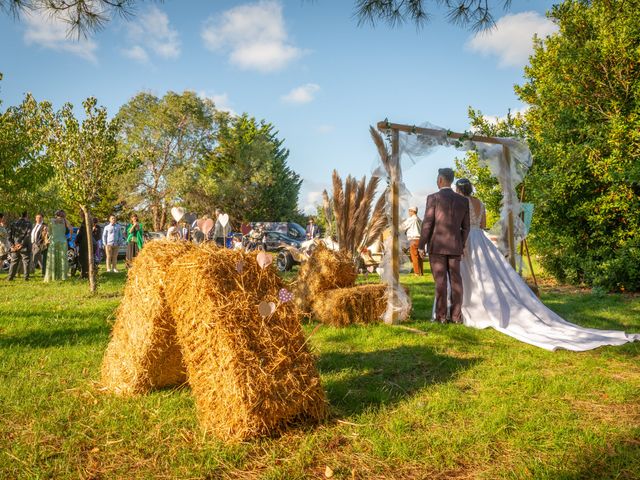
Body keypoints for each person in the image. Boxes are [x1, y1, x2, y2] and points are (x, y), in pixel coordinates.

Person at [455, 178, 639, 351]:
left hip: (467, 239)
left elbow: (460, 223)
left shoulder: (460, 202)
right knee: (488, 272)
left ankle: (473, 307)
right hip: (480, 238)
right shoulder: (480, 203)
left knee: (469, 273)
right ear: (471, 189)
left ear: (458, 189)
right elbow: (484, 223)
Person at [418, 168, 470, 324]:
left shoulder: (433, 198)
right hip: (455, 246)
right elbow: (466, 227)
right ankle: (456, 316)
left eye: (437, 178)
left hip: (438, 246)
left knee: (440, 281)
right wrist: (460, 243)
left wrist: (422, 245)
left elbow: (428, 223)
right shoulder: (463, 200)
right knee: (456, 281)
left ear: (440, 180)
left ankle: (441, 317)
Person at [44, 210, 70, 282]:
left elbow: (49, 232)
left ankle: (52, 276)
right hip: (63, 241)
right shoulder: (65, 221)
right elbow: (70, 229)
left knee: (52, 258)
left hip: (53, 241)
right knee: (62, 259)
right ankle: (62, 276)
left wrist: (47, 239)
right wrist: (68, 237)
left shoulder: (51, 221)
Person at [7, 211, 32, 281]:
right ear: (26, 215)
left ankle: (10, 277)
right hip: (24, 246)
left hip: (15, 245)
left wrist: (12, 245)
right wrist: (21, 244)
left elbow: (9, 236)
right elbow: (27, 235)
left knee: (14, 262)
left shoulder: (13, 223)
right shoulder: (28, 223)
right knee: (26, 261)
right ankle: (26, 277)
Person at [401, 206, 423, 276]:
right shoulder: (419, 220)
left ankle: (416, 273)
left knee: (414, 256)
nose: (408, 212)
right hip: (420, 240)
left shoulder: (411, 219)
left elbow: (403, 227)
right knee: (420, 257)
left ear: (412, 211)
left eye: (409, 211)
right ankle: (421, 272)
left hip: (413, 239)